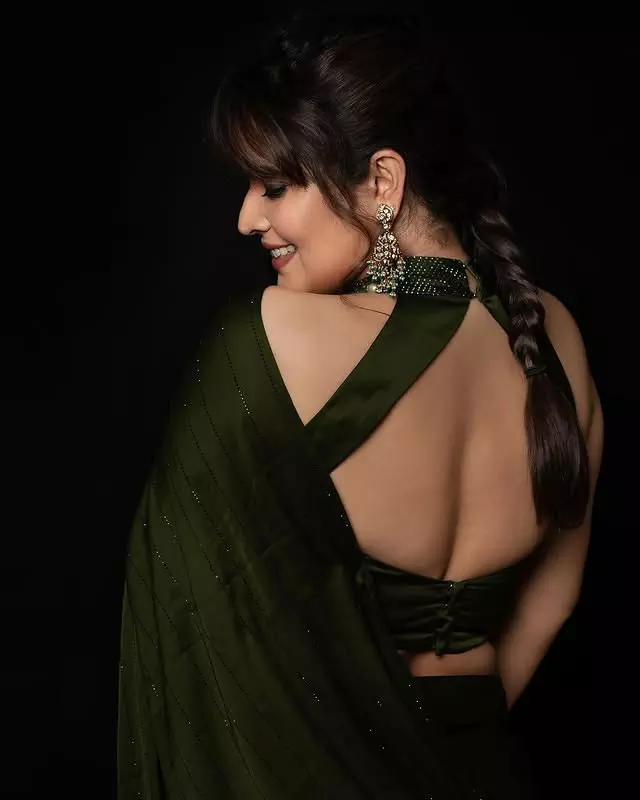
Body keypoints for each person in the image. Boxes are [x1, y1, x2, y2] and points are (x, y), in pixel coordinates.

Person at [117, 13, 604, 799]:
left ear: (382, 181)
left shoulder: (275, 338)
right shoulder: (559, 342)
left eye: (276, 185)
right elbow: (554, 600)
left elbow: (194, 627)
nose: (246, 217)